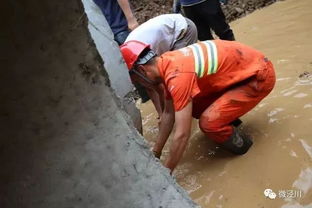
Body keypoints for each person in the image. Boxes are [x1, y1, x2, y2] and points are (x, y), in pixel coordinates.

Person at [120, 40, 276, 173]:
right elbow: (169, 113)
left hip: (258, 76)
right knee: (193, 108)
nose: (141, 85)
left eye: (138, 81)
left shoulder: (177, 75)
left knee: (208, 124)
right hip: (242, 72)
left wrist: (167, 174)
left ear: (141, 70)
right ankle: (230, 125)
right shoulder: (167, 62)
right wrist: (156, 152)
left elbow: (182, 135)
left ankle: (245, 147)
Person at [125, 13, 198, 116]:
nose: (138, 82)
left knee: (178, 76)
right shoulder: (132, 63)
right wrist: (161, 114)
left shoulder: (135, 57)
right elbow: (151, 87)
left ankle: (190, 109)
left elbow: (161, 86)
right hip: (167, 33)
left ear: (140, 70)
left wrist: (168, 113)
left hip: (182, 30)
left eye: (136, 79)